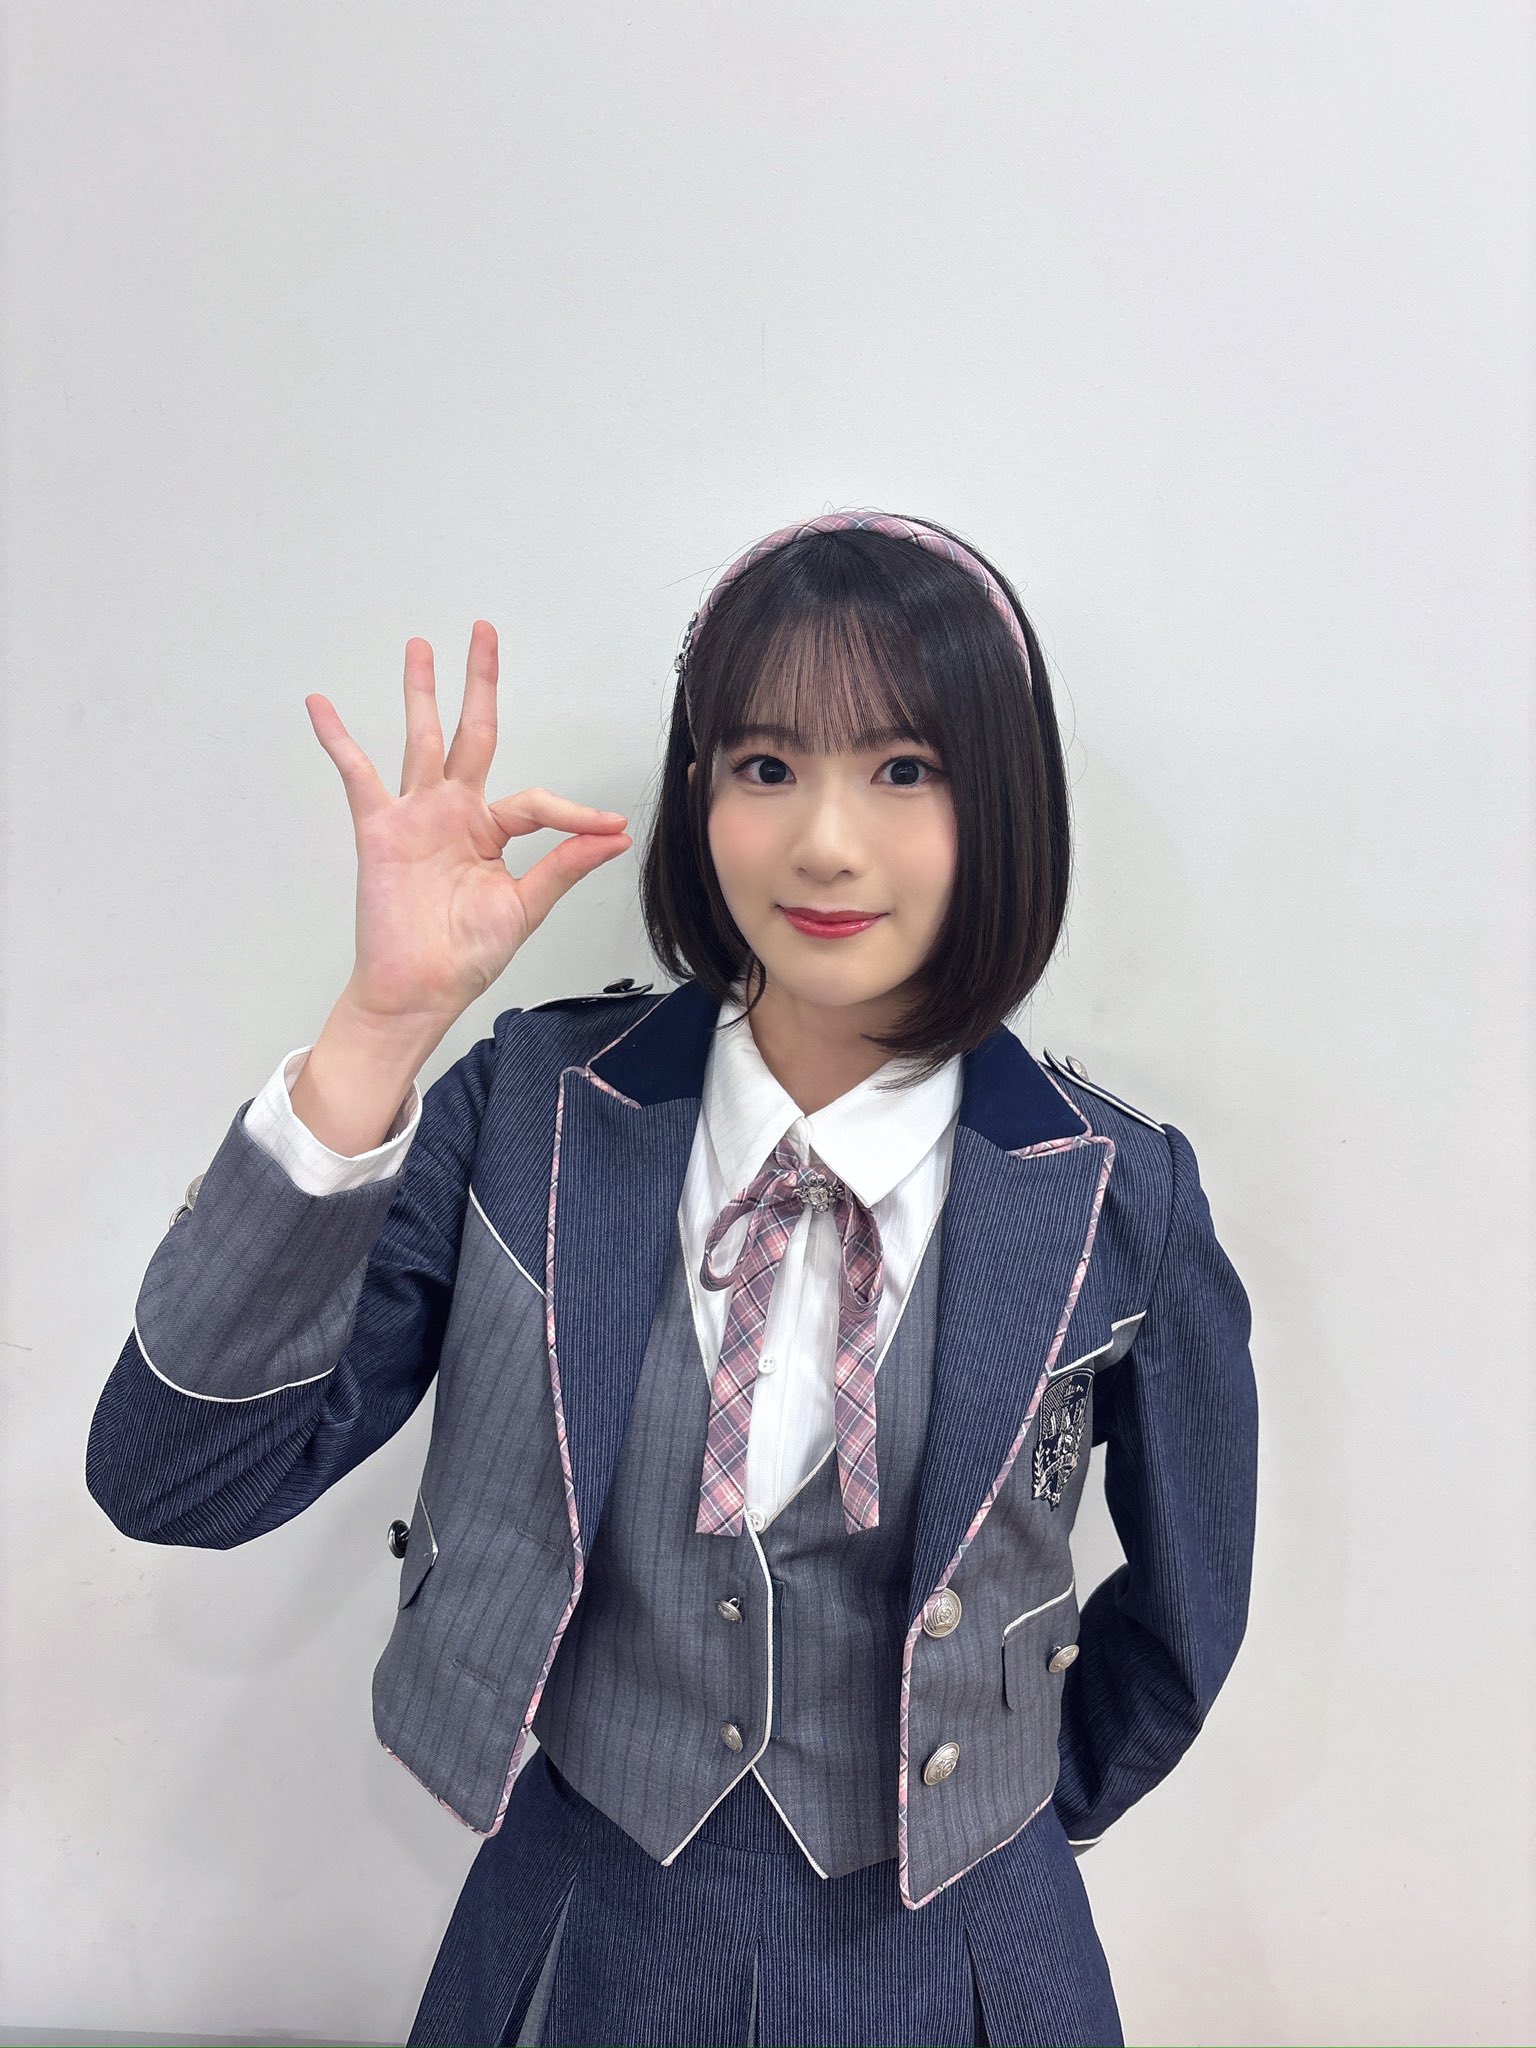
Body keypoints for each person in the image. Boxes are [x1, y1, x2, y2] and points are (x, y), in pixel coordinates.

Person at [87, 509, 1259, 2048]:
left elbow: (1187, 1617)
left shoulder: (1119, 1191)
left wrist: (994, 1810)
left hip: (971, 1967)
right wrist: (379, 1028)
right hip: (584, 1943)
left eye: (905, 769)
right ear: (698, 789)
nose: (824, 841)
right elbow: (176, 1477)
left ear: (1006, 803)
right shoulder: (527, 1113)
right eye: (766, 766)